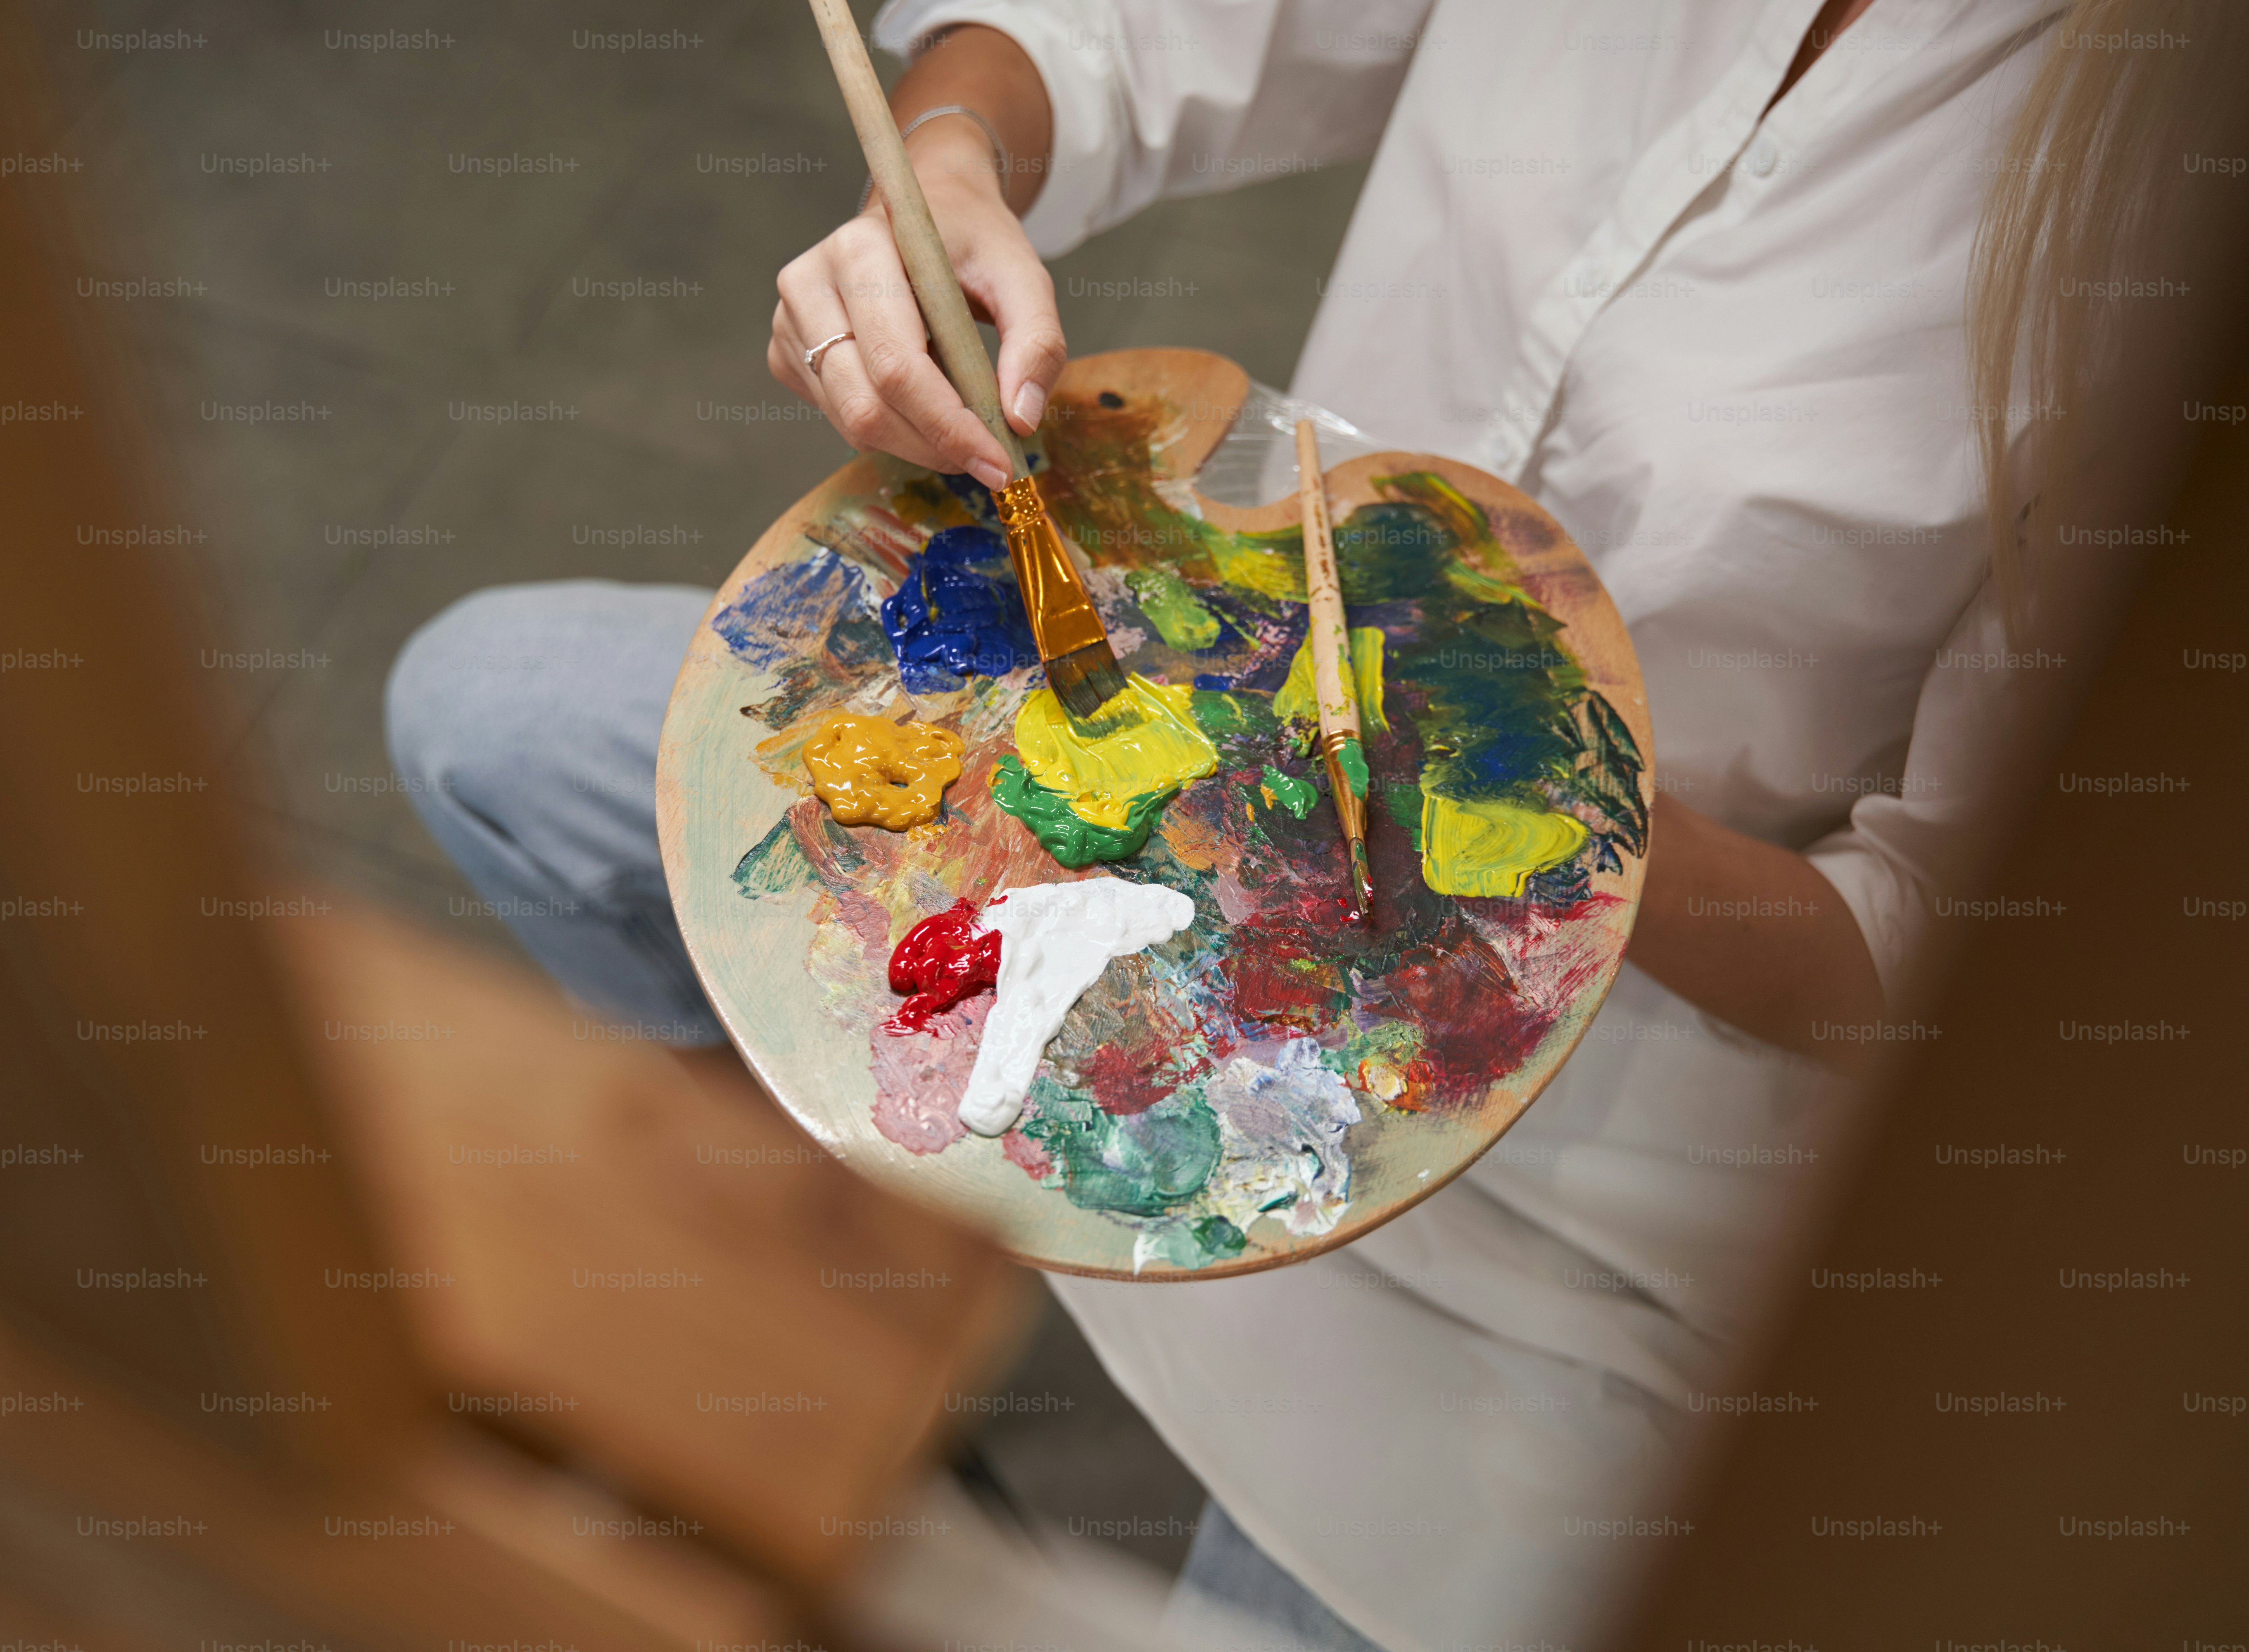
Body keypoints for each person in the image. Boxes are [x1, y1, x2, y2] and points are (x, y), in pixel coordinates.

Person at [389, 1, 2218, 1643]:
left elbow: (1931, 964)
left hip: (1547, 1184)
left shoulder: (2171, 207)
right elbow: (1127, 43)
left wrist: (1540, 811)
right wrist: (948, 153)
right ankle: (862, 1332)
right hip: (1171, 770)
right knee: (494, 717)